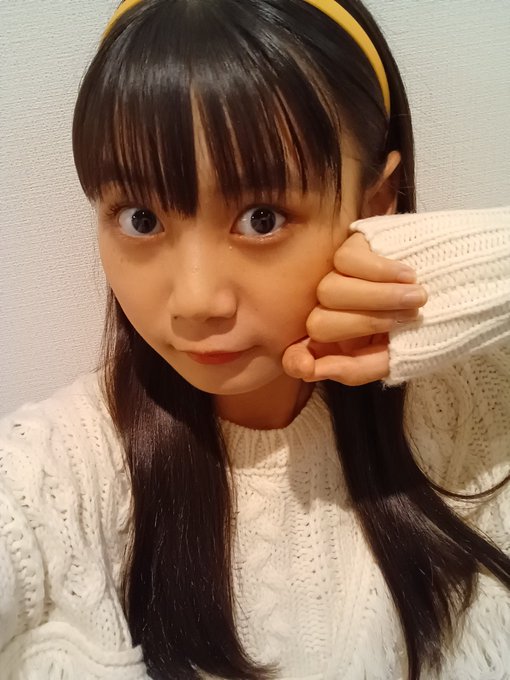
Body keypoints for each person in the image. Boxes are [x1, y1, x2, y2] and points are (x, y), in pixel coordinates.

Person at [0, 0, 508, 678]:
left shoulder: (480, 405)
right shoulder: (60, 472)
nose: (196, 302)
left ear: (374, 204)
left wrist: (477, 277)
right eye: (142, 218)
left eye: (262, 218)